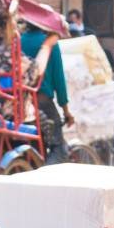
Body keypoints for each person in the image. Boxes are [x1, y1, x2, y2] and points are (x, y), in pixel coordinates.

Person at [19, 20, 74, 162]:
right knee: (58, 147)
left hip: (21, 102)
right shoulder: (49, 43)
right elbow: (59, 80)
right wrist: (66, 111)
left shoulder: (19, 41)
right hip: (42, 101)